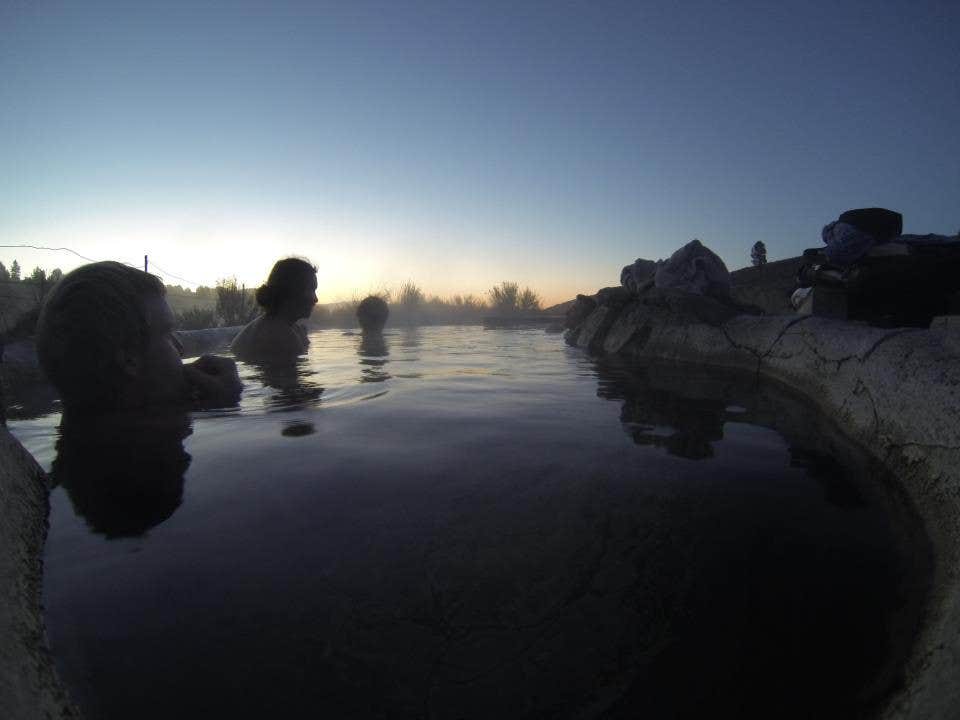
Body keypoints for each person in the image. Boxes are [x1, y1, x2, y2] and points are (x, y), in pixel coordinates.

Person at [36, 261, 241, 414]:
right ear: (128, 360)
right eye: (167, 334)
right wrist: (228, 404)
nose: (180, 349)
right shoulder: (154, 462)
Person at [231, 257, 318, 360]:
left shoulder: (271, 325)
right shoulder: (281, 336)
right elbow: (286, 375)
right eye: (311, 290)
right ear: (292, 291)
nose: (315, 299)